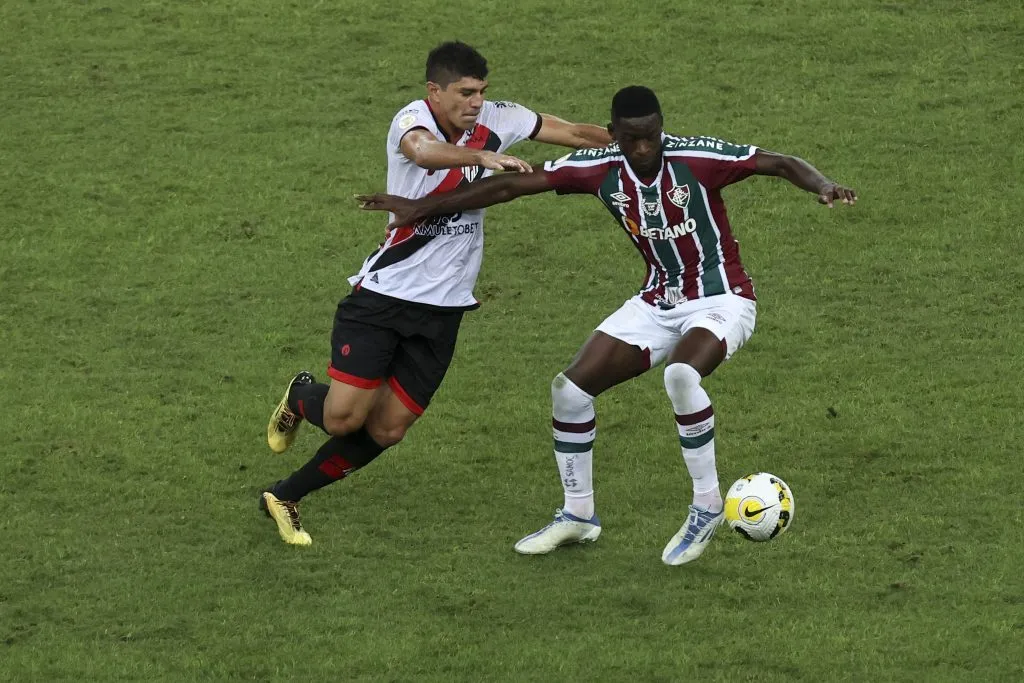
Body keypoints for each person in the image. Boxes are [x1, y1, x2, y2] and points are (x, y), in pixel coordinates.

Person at [357, 85, 856, 564]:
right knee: (570, 391)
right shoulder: (597, 167)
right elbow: (512, 184)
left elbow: (780, 162)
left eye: (652, 136)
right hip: (657, 301)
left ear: (662, 129)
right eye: (631, 138)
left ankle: (706, 505)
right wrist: (422, 207)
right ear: (613, 133)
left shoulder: (697, 158)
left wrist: (823, 184)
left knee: (681, 375)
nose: (643, 148)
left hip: (722, 299)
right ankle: (578, 514)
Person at [259, 41, 613, 546]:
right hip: (384, 297)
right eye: (465, 93)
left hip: (445, 310)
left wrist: (641, 142)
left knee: (387, 430)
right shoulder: (411, 120)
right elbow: (422, 153)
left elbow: (574, 133)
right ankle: (301, 394)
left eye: (481, 92)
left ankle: (285, 496)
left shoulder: (501, 117)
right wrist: (482, 156)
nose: (475, 102)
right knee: (343, 419)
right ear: (435, 91)